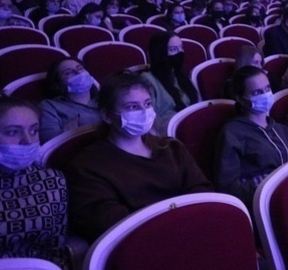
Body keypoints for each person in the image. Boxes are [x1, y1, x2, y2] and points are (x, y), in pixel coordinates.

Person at [64, 72, 211, 242]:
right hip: (142, 243)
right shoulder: (88, 166)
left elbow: (201, 189)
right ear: (107, 116)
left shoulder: (172, 148)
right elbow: (109, 222)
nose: (144, 112)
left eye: (147, 104)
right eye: (132, 107)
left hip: (192, 229)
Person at [0, 96, 69, 270]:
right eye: (12, 132)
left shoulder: (52, 180)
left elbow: (56, 249)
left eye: (34, 131)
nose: (28, 141)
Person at [214, 67, 288, 206]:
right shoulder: (232, 133)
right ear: (241, 99)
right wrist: (267, 186)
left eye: (267, 88)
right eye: (257, 92)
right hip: (259, 201)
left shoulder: (281, 129)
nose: (265, 95)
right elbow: (228, 186)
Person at [140, 32, 199, 135]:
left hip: (191, 125)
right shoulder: (147, 80)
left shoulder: (180, 75)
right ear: (160, 54)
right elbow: (151, 120)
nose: (180, 52)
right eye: (173, 49)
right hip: (168, 132)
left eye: (181, 47)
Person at [38, 58, 102, 143]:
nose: (78, 72)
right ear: (58, 85)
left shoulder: (104, 100)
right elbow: (50, 143)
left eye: (80, 68)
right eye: (68, 73)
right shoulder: (49, 106)